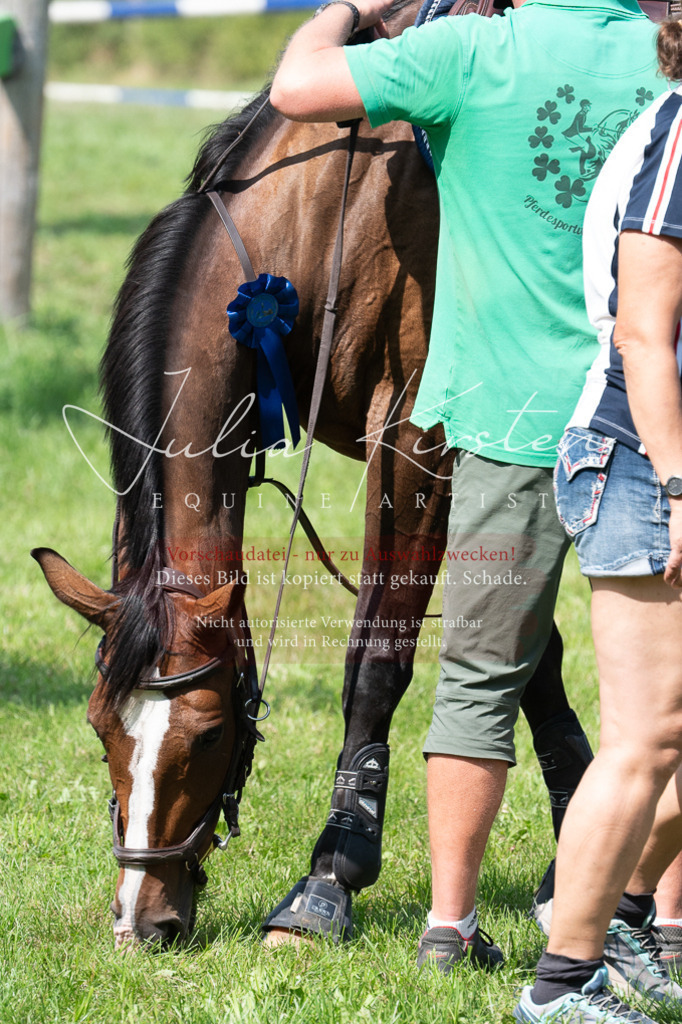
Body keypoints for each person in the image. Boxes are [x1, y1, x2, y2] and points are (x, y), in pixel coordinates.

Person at [269, 0, 667, 985]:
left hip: (507, 418)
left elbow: (296, 88)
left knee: (478, 681)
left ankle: (448, 924)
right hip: (645, 418)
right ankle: (658, 918)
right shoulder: (665, 54)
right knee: (661, 709)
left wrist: (348, 9)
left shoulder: (467, 51)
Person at [515, 17, 682, 1022]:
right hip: (642, 464)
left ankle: (613, 914)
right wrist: (678, 488)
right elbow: (643, 335)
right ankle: (560, 982)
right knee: (644, 741)